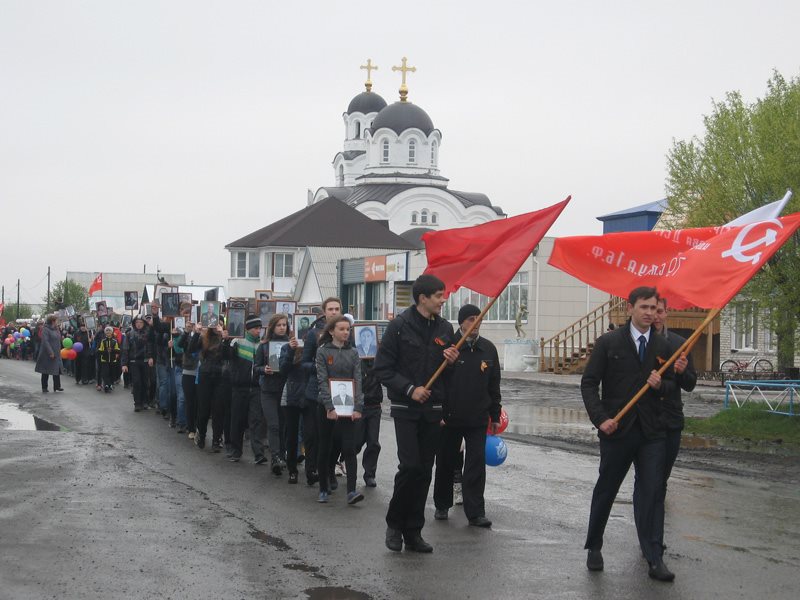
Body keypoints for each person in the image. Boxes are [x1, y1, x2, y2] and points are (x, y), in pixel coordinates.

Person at [581, 286, 676, 582]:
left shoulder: (663, 346)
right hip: (617, 431)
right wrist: (601, 419)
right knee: (607, 490)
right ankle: (594, 546)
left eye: (653, 307)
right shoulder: (609, 343)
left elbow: (674, 386)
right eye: (644, 307)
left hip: (652, 432)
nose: (649, 312)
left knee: (652, 492)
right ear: (630, 307)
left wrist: (662, 385)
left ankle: (654, 556)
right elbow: (589, 383)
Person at [373, 274, 459, 553]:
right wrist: (410, 389)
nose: (443, 300)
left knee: (424, 471)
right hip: (405, 408)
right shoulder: (398, 326)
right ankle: (394, 524)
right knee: (409, 466)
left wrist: (452, 362)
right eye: (438, 296)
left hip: (433, 410)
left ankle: (414, 531)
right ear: (423, 298)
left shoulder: (446, 328)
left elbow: (448, 376)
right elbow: (382, 368)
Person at [634, 297, 696, 560]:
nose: (656, 315)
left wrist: (682, 371)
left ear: (666, 314)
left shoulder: (679, 345)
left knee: (660, 481)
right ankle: (648, 539)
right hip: (643, 421)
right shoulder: (638, 345)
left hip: (670, 421)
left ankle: (652, 535)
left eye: (660, 311)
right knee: (646, 480)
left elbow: (690, 384)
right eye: (651, 310)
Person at [433, 303, 501, 528]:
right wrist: (439, 412)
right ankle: (442, 504)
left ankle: (475, 511)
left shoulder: (488, 349)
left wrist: (495, 415)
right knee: (446, 462)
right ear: (461, 322)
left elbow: (494, 386)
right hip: (450, 416)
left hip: (477, 417)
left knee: (475, 465)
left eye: (479, 318)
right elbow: (438, 381)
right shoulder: (448, 347)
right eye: (471, 319)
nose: (476, 323)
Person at [315, 315, 364, 504]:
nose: (346, 332)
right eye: (342, 329)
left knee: (349, 448)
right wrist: (329, 406)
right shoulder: (322, 352)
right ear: (331, 331)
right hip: (326, 408)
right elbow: (322, 380)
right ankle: (323, 488)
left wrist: (358, 406)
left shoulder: (353, 353)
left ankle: (351, 491)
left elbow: (358, 379)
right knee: (325, 446)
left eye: (348, 329)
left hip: (349, 407)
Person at [300, 297, 343, 485]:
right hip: (316, 391)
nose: (334, 312)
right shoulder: (314, 333)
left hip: (339, 391)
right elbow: (304, 362)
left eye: (337, 309)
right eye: (330, 309)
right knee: (314, 435)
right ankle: (312, 470)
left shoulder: (345, 332)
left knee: (336, 437)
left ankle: (329, 471)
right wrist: (319, 366)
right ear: (324, 311)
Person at [254, 314, 291, 472]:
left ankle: (282, 455)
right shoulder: (264, 345)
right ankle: (275, 457)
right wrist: (264, 369)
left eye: (284, 325)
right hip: (268, 390)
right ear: (272, 327)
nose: (282, 327)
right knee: (274, 424)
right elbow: (256, 367)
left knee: (283, 425)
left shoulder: (291, 344)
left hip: (285, 389)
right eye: (279, 325)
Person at [227, 315, 266, 464]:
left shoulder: (262, 345)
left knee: (256, 421)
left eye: (260, 328)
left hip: (256, 388)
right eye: (256, 328)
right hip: (240, 387)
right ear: (248, 329)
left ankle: (259, 454)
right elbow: (227, 357)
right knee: (237, 420)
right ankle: (236, 451)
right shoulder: (237, 341)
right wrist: (227, 342)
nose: (258, 331)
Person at [190, 322, 228, 451]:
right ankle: (201, 435)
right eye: (215, 324)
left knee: (218, 410)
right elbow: (191, 349)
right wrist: (196, 332)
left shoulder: (225, 337)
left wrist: (224, 337)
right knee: (203, 408)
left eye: (220, 324)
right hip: (205, 375)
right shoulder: (204, 337)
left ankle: (217, 439)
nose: (217, 326)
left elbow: (227, 355)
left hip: (220, 376)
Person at [121, 315, 154, 411]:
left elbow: (150, 346)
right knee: (136, 382)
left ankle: (145, 402)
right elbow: (125, 349)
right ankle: (137, 403)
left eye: (141, 322)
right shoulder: (129, 334)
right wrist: (124, 364)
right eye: (137, 322)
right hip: (134, 362)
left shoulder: (148, 334)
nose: (139, 324)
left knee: (145, 382)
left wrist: (151, 357)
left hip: (145, 361)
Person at [35, 315, 64, 393]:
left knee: (56, 369)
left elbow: (58, 339)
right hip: (47, 353)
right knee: (45, 370)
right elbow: (45, 342)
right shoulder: (46, 329)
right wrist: (51, 352)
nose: (57, 322)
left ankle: (57, 386)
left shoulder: (56, 329)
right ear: (52, 321)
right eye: (56, 320)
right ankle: (44, 387)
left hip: (57, 352)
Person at [97, 326, 121, 392]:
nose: (108, 332)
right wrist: (106, 351)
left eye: (109, 331)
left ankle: (110, 384)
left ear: (112, 332)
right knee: (105, 373)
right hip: (104, 360)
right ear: (105, 332)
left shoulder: (115, 341)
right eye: (107, 331)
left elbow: (118, 350)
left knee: (112, 372)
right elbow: (100, 351)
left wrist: (112, 350)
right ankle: (106, 385)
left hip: (113, 360)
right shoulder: (103, 341)